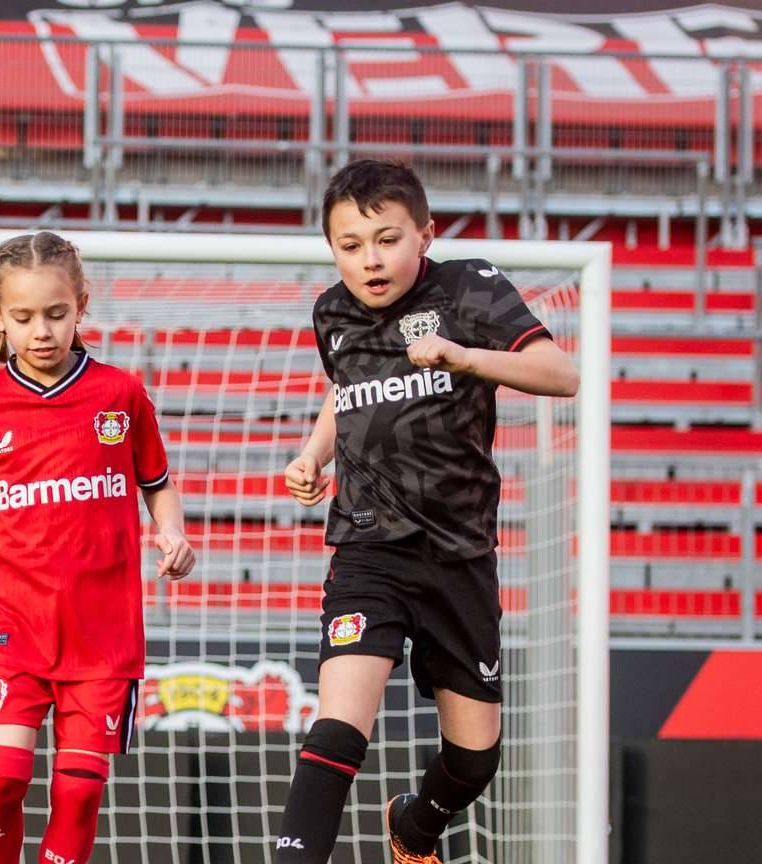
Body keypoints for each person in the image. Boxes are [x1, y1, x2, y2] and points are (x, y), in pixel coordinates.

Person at [274, 160, 578, 863]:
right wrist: (313, 456)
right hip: (368, 548)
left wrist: (463, 356)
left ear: (425, 235)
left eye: (387, 239)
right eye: (350, 245)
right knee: (338, 729)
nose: (370, 260)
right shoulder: (332, 313)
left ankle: (413, 828)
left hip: (458, 556)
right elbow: (345, 388)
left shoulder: (470, 287)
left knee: (473, 762)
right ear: (332, 248)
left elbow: (562, 374)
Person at [0, 230, 194, 864]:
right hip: (13, 624)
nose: (42, 330)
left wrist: (173, 533)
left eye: (57, 313)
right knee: (0, 777)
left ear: (82, 305)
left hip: (103, 633)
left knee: (78, 794)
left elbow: (159, 486)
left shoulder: (120, 395)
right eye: (24, 316)